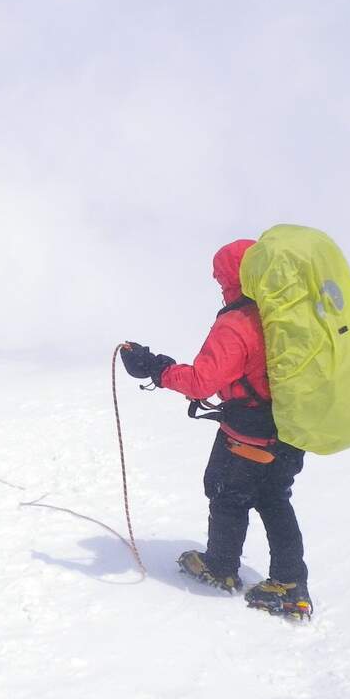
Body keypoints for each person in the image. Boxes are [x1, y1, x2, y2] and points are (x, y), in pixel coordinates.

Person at [120, 239, 313, 619]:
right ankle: (291, 585)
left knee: (227, 495)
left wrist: (155, 369)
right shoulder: (289, 312)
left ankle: (221, 568)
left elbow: (200, 382)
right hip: (291, 429)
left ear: (230, 275)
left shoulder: (239, 321)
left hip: (247, 434)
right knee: (275, 499)